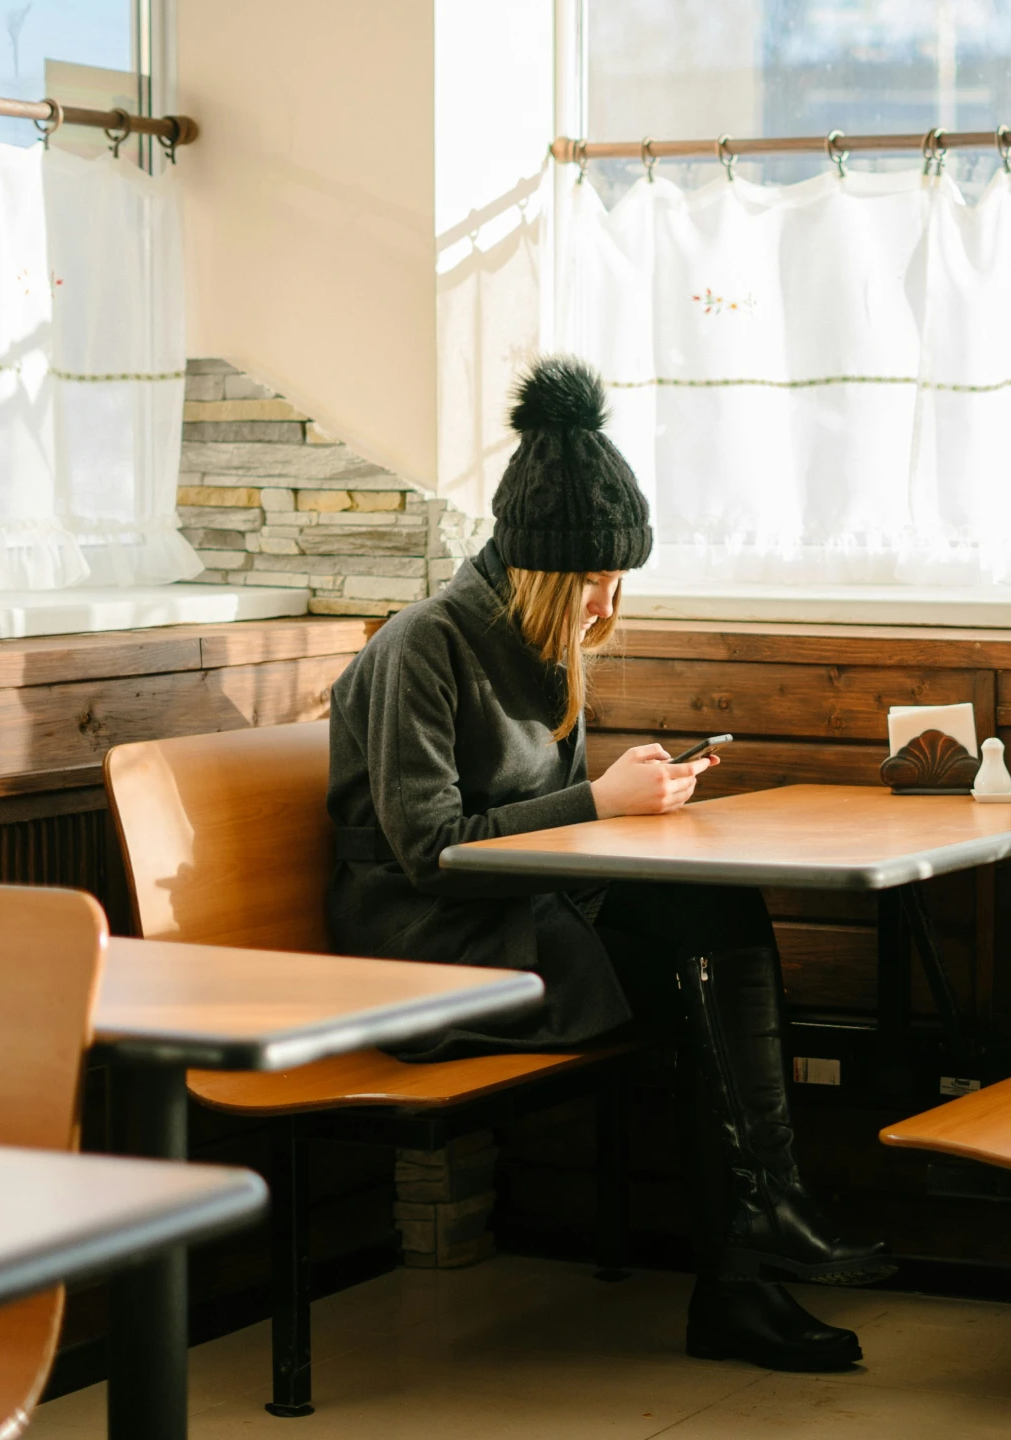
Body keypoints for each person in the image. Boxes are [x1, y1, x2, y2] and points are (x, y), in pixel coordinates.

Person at [325, 356, 891, 1371]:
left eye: (617, 574)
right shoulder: (424, 646)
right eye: (594, 577)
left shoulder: (542, 646)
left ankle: (764, 1227)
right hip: (427, 949)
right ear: (542, 566)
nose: (609, 599)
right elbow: (426, 851)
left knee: (718, 923)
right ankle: (747, 1266)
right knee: (692, 981)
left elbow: (547, 835)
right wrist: (597, 802)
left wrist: (636, 808)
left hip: (523, 920)